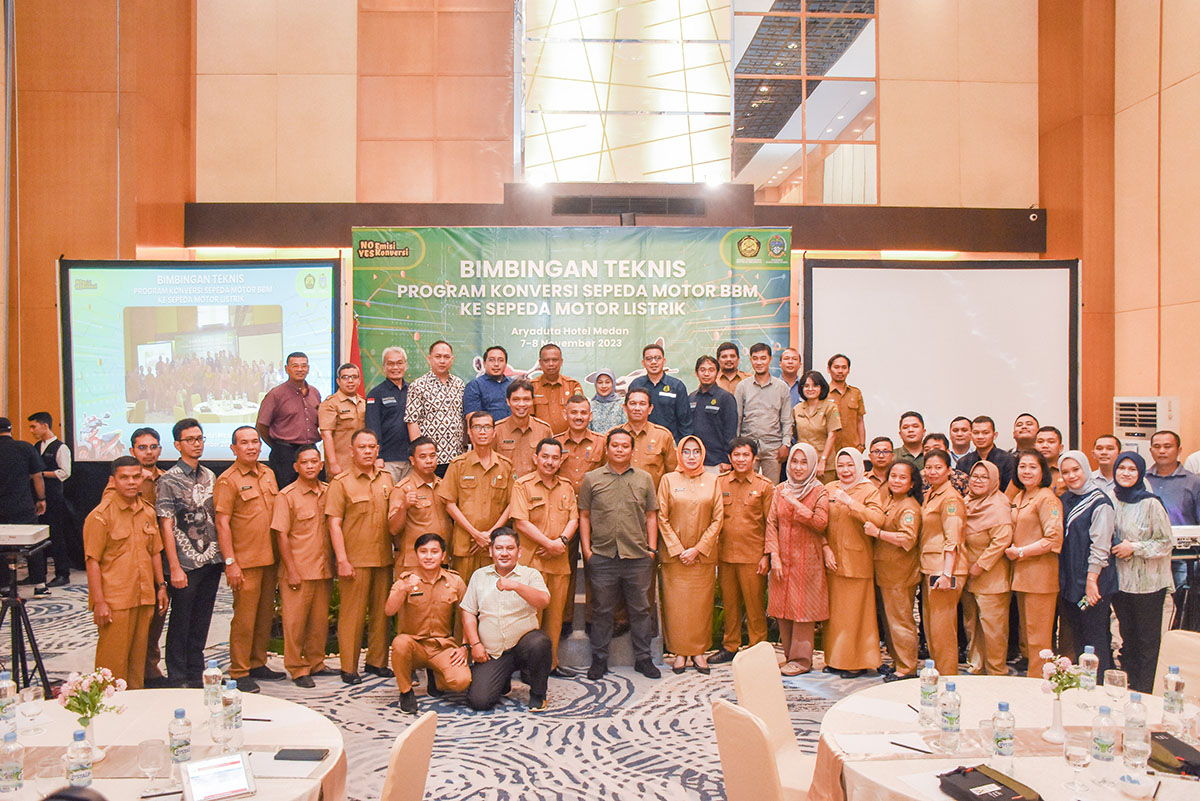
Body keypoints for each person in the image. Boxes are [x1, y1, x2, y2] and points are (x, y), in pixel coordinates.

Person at [578, 429, 662, 680]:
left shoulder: (644, 479)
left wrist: (651, 550)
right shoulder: (591, 479)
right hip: (603, 556)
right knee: (602, 610)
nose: (620, 449)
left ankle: (643, 659)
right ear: (607, 449)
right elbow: (584, 515)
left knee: (641, 610)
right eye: (615, 445)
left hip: (637, 556)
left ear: (632, 450)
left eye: (625, 446)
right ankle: (599, 659)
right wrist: (587, 551)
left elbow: (651, 515)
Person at [84, 456, 168, 689]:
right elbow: (92, 562)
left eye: (136, 477)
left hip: (144, 596)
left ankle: (134, 705)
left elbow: (154, 552)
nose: (131, 482)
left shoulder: (147, 511)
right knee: (112, 665)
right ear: (113, 481)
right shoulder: (101, 516)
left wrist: (161, 586)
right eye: (124, 477)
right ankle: (108, 709)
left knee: (137, 663)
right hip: (116, 601)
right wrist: (99, 602)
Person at [214, 426, 283, 692]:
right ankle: (239, 670)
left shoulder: (268, 473)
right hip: (245, 562)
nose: (251, 447)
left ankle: (257, 662)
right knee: (244, 619)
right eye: (244, 443)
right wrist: (230, 562)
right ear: (234, 448)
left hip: (270, 558)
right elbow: (222, 523)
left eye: (255, 441)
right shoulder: (227, 480)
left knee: (264, 616)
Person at [326, 429, 395, 684]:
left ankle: (377, 662)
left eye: (371, 447)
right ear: (352, 451)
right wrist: (342, 560)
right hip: (354, 560)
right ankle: (349, 667)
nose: (367, 451)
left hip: (383, 557)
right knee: (352, 616)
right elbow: (334, 523)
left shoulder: (387, 479)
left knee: (382, 614)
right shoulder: (341, 482)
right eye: (362, 447)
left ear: (378, 450)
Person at [157, 418, 223, 687]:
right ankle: (178, 674)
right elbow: (166, 524)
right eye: (190, 440)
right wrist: (173, 566)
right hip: (185, 562)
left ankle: (196, 671)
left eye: (200, 439)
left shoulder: (209, 475)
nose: (197, 444)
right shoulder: (168, 480)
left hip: (211, 558)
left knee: (202, 619)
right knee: (181, 619)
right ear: (177, 444)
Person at [461, 528, 553, 711]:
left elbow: (544, 601)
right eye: (499, 548)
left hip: (523, 648)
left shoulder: (530, 575)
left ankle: (538, 694)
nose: (504, 553)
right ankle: (503, 680)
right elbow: (468, 612)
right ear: (491, 551)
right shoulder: (479, 576)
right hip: (493, 652)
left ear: (519, 552)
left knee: (540, 643)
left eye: (510, 548)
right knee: (479, 701)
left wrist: (516, 586)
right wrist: (475, 644)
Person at [509, 438, 578, 673]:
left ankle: (550, 665)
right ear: (535, 458)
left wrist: (562, 542)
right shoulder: (523, 486)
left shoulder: (566, 487)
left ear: (560, 461)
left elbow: (573, 519)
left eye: (555, 458)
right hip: (532, 564)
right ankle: (528, 669)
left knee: (555, 619)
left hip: (559, 563)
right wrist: (549, 544)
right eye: (545, 457)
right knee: (530, 619)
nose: (550, 462)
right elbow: (520, 522)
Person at [657, 436, 723, 673]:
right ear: (679, 454)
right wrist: (678, 550)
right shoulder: (668, 480)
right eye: (686, 451)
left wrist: (697, 549)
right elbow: (661, 517)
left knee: (701, 608)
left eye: (696, 451)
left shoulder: (713, 481)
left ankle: (698, 652)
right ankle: (679, 653)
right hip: (675, 559)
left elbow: (718, 519)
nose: (692, 456)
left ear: (703, 454)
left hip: (702, 558)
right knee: (676, 608)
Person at [1110, 451, 1175, 693]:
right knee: (1127, 639)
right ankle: (1130, 688)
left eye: (1132, 469)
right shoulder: (1111, 498)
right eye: (1121, 468)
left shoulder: (1151, 503)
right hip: (1121, 583)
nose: (1126, 473)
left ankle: (1146, 691)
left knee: (1147, 642)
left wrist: (1134, 548)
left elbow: (1165, 543)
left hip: (1149, 585)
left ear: (1140, 474)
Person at [386, 533, 470, 713]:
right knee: (400, 644)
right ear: (416, 554)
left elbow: (467, 614)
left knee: (461, 682)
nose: (429, 556)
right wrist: (404, 589)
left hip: (441, 646)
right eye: (423, 551)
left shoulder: (454, 581)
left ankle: (436, 676)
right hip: (414, 645)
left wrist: (465, 646)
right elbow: (389, 610)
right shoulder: (405, 580)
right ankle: (406, 691)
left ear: (443, 555)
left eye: (434, 552)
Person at [271, 445, 333, 688]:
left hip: (323, 569)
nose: (310, 466)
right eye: (304, 462)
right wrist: (291, 570)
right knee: (295, 624)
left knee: (319, 622)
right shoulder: (286, 496)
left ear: (321, 465)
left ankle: (316, 662)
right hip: (298, 570)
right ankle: (297, 668)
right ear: (296, 467)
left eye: (314, 461)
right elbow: (281, 535)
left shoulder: (328, 492)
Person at [766, 442, 830, 675]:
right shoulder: (780, 489)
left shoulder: (820, 491)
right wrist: (774, 555)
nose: (798, 467)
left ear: (812, 464)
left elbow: (820, 523)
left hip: (808, 558)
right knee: (783, 608)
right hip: (783, 557)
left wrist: (794, 502)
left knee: (803, 609)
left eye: (804, 462)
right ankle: (789, 656)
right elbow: (771, 523)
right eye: (794, 461)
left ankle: (802, 660)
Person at [710, 437, 774, 664]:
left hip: (753, 557)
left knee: (755, 607)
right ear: (729, 458)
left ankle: (757, 649)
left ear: (754, 458)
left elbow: (771, 524)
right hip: (725, 555)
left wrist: (767, 556)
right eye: (736, 455)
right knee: (729, 605)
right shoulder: (719, 483)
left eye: (746, 455)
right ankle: (730, 646)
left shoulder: (764, 486)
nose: (741, 459)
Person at [111, 427, 167, 682]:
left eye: (153, 447)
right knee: (130, 622)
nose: (149, 452)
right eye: (142, 448)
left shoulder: (166, 479)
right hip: (130, 559)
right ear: (132, 451)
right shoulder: (122, 483)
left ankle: (150, 669)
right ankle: (128, 675)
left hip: (161, 556)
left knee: (156, 616)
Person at [823, 447, 882, 677]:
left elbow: (878, 519)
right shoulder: (830, 488)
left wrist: (851, 503)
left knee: (856, 616)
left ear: (859, 466)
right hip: (833, 561)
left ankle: (857, 662)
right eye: (841, 465)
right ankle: (835, 659)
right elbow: (820, 522)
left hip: (858, 561)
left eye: (850, 465)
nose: (845, 470)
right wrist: (825, 548)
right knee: (836, 616)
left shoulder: (869, 490)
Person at [1057, 450, 1117, 674]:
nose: (1071, 476)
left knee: (1095, 636)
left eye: (1076, 470)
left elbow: (1101, 546)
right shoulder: (1066, 499)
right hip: (1072, 581)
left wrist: (1092, 581)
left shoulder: (1100, 502)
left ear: (1086, 469)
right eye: (1065, 472)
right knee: (1079, 634)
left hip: (1092, 582)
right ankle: (1084, 681)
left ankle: (1099, 683)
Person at [438, 411, 514, 585]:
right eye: (477, 427)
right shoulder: (458, 465)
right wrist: (475, 534)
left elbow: (512, 505)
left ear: (494, 432)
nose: (482, 432)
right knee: (464, 594)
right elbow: (449, 504)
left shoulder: (506, 466)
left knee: (494, 593)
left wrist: (490, 534)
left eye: (487, 427)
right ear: (469, 432)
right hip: (466, 544)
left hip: (494, 545)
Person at [1005, 450, 1062, 678]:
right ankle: (1031, 676)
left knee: (1039, 636)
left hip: (1040, 575)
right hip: (1021, 574)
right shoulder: (1019, 496)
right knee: (1027, 633)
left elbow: (1053, 538)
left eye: (1032, 467)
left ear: (1042, 471)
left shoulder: (1047, 498)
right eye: (1022, 466)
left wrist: (1020, 552)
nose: (1026, 471)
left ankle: (1039, 681)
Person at [865, 460, 922, 682]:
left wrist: (878, 533)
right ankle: (898, 661)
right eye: (893, 476)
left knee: (901, 621)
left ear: (911, 483)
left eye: (902, 477)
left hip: (900, 574)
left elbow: (907, 539)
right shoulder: (890, 500)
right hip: (886, 571)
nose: (896, 481)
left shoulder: (909, 507)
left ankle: (907, 668)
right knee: (890, 622)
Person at [960, 461, 1013, 676]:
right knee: (972, 624)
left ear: (994, 481)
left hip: (991, 576)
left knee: (993, 628)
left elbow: (1002, 540)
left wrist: (980, 565)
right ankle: (976, 666)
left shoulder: (999, 505)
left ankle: (996, 670)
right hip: (967, 573)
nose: (978, 481)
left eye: (984, 477)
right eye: (975, 476)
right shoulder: (967, 502)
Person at [918, 450, 967, 676]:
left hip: (944, 569)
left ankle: (948, 678)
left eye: (938, 467)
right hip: (931, 566)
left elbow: (953, 537)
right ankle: (937, 673)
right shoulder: (931, 493)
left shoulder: (950, 498)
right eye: (929, 467)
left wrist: (947, 574)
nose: (932, 472)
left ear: (949, 470)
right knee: (932, 629)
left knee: (943, 631)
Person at [1144, 430, 1200, 590]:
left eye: (1167, 446)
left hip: (1184, 557)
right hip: (1149, 554)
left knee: (1182, 599)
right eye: (1157, 446)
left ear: (1179, 450)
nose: (1162, 451)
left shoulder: (1194, 482)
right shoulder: (1142, 480)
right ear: (1150, 450)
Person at [256, 351, 321, 487]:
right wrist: (277, 446)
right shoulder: (276, 394)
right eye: (295, 366)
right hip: (285, 454)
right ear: (287, 369)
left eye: (303, 366)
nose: (300, 369)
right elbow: (261, 426)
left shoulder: (314, 393)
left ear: (308, 369)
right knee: (285, 493)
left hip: (310, 451)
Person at [388, 437, 451, 572]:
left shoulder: (444, 486)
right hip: (414, 563)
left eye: (432, 455)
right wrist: (404, 506)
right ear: (412, 460)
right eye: (423, 457)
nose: (429, 460)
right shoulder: (403, 489)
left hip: (442, 560)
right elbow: (393, 529)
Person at [405, 340, 467, 476]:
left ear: (452, 359)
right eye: (438, 356)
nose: (442, 361)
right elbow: (412, 421)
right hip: (431, 459)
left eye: (446, 357)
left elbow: (463, 418)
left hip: (457, 456)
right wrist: (419, 454)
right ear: (429, 358)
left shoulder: (459, 384)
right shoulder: (418, 385)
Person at [27, 412, 74, 589]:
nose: (32, 431)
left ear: (45, 426)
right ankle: (38, 574)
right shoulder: (36, 446)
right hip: (37, 498)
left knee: (56, 535)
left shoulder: (61, 447)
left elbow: (65, 472)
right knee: (38, 536)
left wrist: (41, 474)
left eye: (34, 426)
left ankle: (62, 573)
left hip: (54, 497)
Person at [734, 343, 793, 483]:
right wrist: (736, 445)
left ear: (770, 359)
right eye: (755, 358)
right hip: (747, 446)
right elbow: (737, 418)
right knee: (746, 486)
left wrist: (786, 444)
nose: (759, 362)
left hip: (773, 447)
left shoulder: (781, 387)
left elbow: (787, 419)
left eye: (763, 358)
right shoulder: (742, 387)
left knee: (771, 488)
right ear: (751, 360)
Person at [0, 418, 44, 589]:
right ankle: (39, 584)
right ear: (11, 429)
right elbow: (37, 476)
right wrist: (41, 499)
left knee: (1, 546)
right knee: (34, 543)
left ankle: (4, 586)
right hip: (23, 505)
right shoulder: (25, 447)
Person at [364, 347, 412, 482]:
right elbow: (372, 427)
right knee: (387, 494)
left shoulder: (413, 390)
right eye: (390, 364)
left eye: (399, 363)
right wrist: (378, 457)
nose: (395, 367)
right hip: (387, 460)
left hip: (411, 459)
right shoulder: (376, 394)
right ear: (384, 367)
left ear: (406, 365)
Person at [628, 343, 692, 440]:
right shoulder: (636, 385)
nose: (653, 362)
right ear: (643, 363)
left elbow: (685, 422)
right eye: (649, 359)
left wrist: (683, 444)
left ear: (664, 361)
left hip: (670, 442)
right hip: (641, 441)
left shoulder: (677, 386)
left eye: (657, 358)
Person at [493, 379, 553, 476]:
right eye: (516, 399)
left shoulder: (544, 430)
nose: (521, 404)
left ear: (533, 401)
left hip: (535, 484)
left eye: (526, 399)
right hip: (506, 484)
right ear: (508, 401)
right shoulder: (496, 430)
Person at [791, 370, 841, 483]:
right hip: (803, 464)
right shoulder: (797, 408)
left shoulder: (830, 407)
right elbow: (793, 433)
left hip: (824, 463)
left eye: (815, 385)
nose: (810, 389)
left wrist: (823, 460)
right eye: (806, 386)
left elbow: (832, 435)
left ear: (821, 387)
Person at [621, 387, 677, 489]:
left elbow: (673, 474)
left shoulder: (663, 435)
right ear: (625, 408)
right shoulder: (614, 436)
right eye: (633, 403)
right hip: (621, 496)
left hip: (653, 497)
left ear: (650, 409)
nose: (637, 408)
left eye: (642, 404)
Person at [318, 362, 366, 479]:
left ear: (359, 381)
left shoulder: (363, 403)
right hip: (341, 464)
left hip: (362, 463)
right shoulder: (330, 404)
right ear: (338, 381)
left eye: (354, 377)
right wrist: (333, 464)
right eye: (345, 377)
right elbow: (326, 435)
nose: (350, 381)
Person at [689, 356, 737, 473]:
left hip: (717, 462)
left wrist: (727, 459)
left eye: (711, 370)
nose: (706, 374)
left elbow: (730, 431)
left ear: (718, 373)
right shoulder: (691, 398)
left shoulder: (725, 397)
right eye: (702, 370)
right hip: (695, 460)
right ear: (696, 373)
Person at [531, 343, 582, 436]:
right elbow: (529, 419)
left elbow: (579, 416)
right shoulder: (532, 386)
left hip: (568, 440)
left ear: (561, 362)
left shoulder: (573, 385)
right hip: (540, 439)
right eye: (546, 360)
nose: (551, 364)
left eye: (555, 360)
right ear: (540, 363)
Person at [957, 416, 1015, 492]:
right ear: (970, 436)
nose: (980, 437)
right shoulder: (963, 462)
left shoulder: (1008, 460)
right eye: (976, 433)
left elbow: (1010, 492)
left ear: (995, 435)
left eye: (985, 433)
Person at [463, 345, 512, 422]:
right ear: (484, 363)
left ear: (506, 364)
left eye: (501, 360)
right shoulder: (475, 386)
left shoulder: (513, 385)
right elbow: (472, 418)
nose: (496, 364)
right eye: (491, 360)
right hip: (488, 429)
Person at [827, 355, 866, 452]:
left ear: (848, 370)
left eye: (844, 367)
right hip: (830, 448)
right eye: (836, 367)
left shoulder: (855, 393)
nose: (840, 371)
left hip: (852, 447)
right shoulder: (823, 393)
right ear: (829, 369)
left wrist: (862, 444)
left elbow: (860, 420)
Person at [588, 369, 626, 433]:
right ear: (595, 384)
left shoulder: (621, 405)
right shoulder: (590, 406)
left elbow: (625, 429)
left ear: (613, 384)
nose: (604, 386)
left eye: (607, 382)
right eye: (600, 382)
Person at [1033, 426, 1066, 495]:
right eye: (1040, 442)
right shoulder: (1025, 469)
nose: (1045, 445)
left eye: (1051, 442)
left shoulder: (1068, 470)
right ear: (1034, 446)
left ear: (1061, 448)